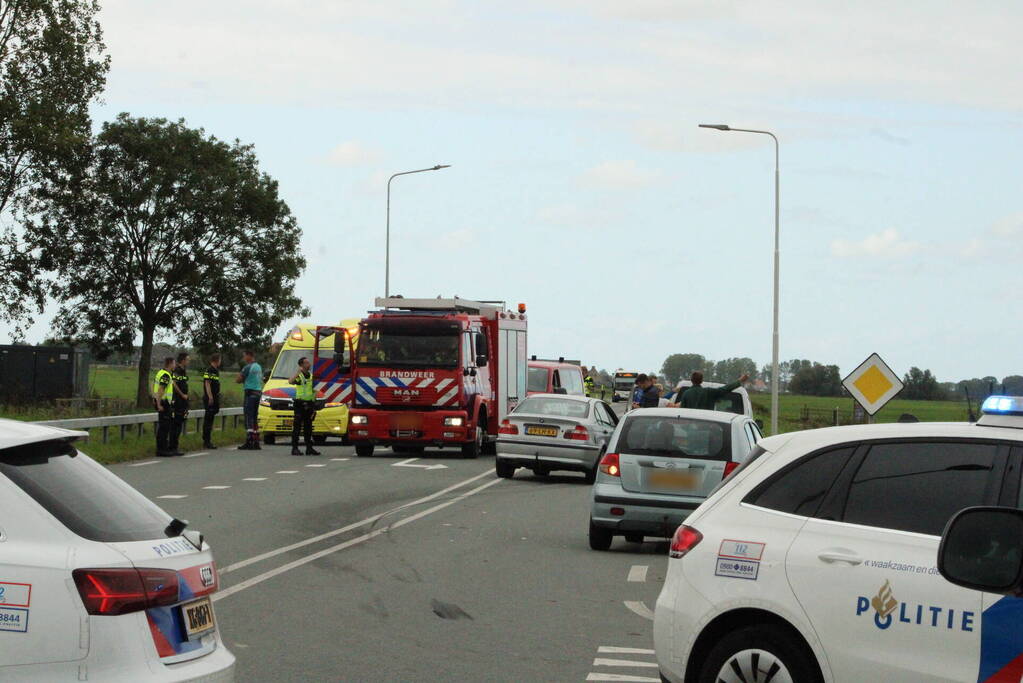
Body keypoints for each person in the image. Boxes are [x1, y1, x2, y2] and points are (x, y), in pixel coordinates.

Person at [289, 356, 320, 456]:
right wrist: (298, 372)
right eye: (306, 363)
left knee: (308, 427)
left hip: (310, 404)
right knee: (297, 427)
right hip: (300, 404)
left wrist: (314, 404)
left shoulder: (311, 376)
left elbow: (314, 390)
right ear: (301, 365)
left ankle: (309, 448)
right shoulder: (300, 376)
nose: (309, 364)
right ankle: (295, 448)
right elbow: (290, 381)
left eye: (308, 362)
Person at [676, 371, 750, 410]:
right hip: (706, 427)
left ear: (691, 380)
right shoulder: (708, 392)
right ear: (701, 381)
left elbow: (682, 411)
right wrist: (739, 381)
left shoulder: (686, 394)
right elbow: (725, 389)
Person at [236, 350, 263, 450]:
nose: (244, 358)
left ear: (249, 356)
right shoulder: (258, 367)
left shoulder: (247, 367)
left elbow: (238, 380)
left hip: (250, 393)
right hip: (258, 393)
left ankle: (249, 440)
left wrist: (240, 376)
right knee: (255, 417)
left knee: (248, 417)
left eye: (244, 356)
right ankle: (256, 441)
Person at [167, 352, 190, 456]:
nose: (188, 362)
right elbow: (174, 383)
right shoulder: (177, 370)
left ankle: (175, 446)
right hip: (178, 400)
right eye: (187, 360)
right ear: (183, 360)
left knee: (179, 423)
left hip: (183, 401)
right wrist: (182, 394)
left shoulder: (183, 371)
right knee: (176, 424)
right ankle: (172, 447)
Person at [152, 357, 175, 456]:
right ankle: (162, 449)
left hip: (160, 401)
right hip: (164, 403)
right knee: (164, 428)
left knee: (163, 427)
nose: (175, 365)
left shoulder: (160, 372)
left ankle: (162, 448)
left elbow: (153, 385)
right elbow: (161, 389)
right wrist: (159, 404)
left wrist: (154, 398)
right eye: (174, 363)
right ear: (170, 364)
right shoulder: (166, 375)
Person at [202, 353, 222, 449]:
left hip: (214, 397)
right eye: (220, 360)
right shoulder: (210, 370)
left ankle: (207, 440)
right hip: (210, 398)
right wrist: (210, 397)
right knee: (208, 420)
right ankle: (206, 441)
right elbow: (207, 384)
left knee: (210, 419)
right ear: (217, 360)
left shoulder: (215, 371)